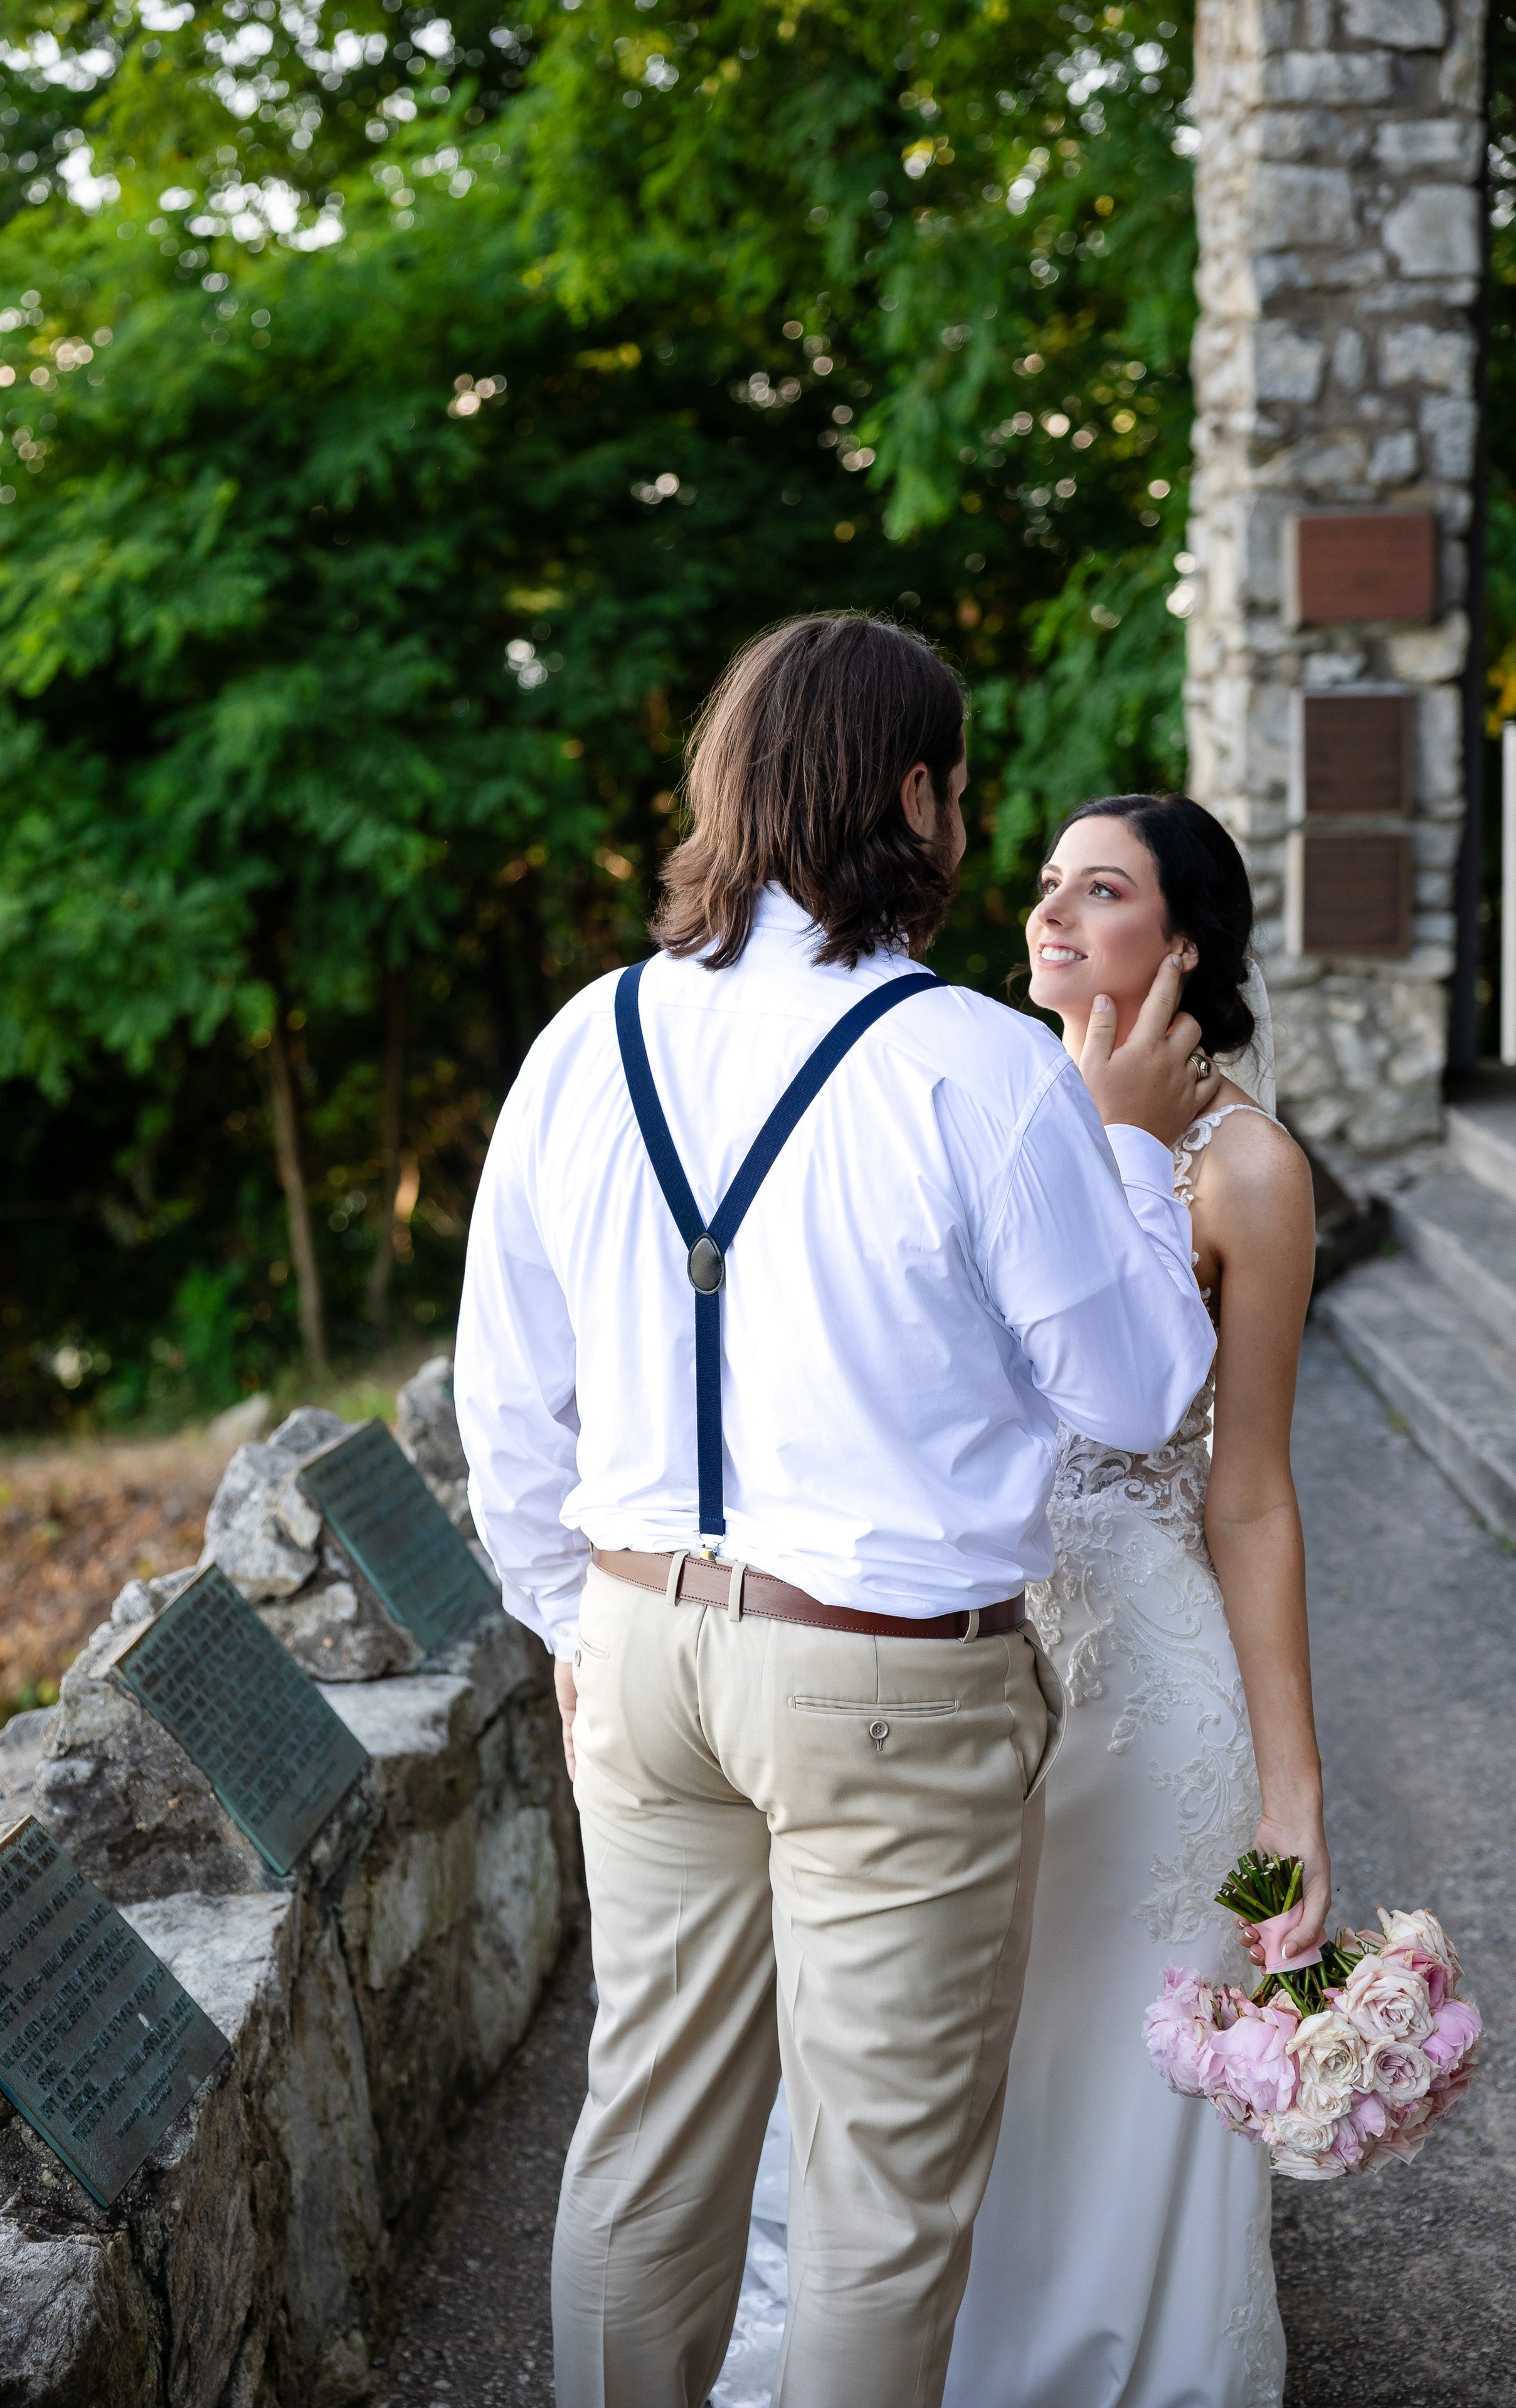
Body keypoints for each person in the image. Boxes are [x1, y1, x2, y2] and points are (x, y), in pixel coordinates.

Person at [453, 615, 1218, 2408]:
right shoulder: (979, 1066)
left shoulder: (589, 1038)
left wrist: (572, 1621)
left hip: (641, 1649)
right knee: (880, 2201)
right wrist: (1118, 1141)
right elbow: (1130, 1391)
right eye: (957, 791)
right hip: (889, 1681)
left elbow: (507, 1390)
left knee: (644, 2145)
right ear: (912, 796)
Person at [941, 793, 1325, 2408]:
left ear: (1181, 948)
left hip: (1149, 1688)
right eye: (1042, 884)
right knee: (963, 2060)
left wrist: (1293, 1798)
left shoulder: (1248, 1173)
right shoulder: (970, 1097)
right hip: (951, 1652)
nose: (1047, 912)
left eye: (1098, 891)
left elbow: (1248, 1494)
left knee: (1124, 2065)